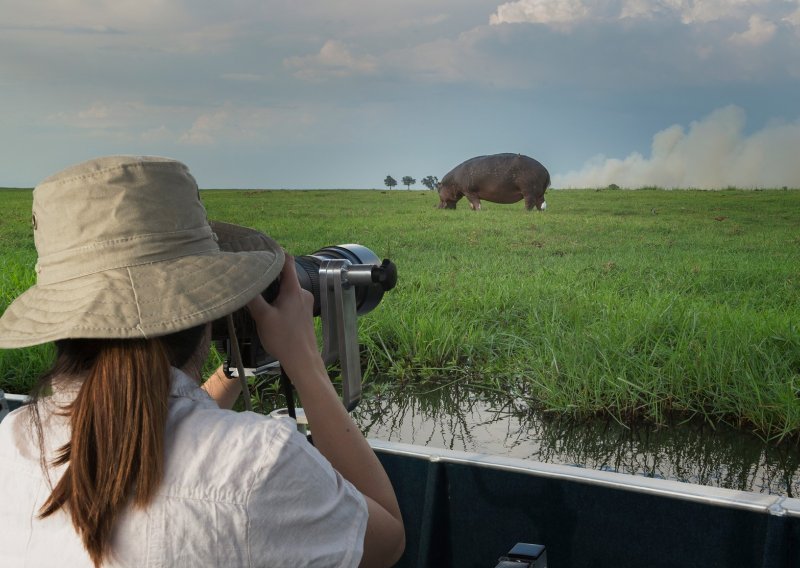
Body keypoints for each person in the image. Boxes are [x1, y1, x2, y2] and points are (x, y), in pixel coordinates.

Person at [0, 156, 405, 567]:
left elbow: (147, 410)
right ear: (208, 305)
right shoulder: (258, 462)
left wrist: (235, 368)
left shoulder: (15, 441)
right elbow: (387, 542)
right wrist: (305, 364)